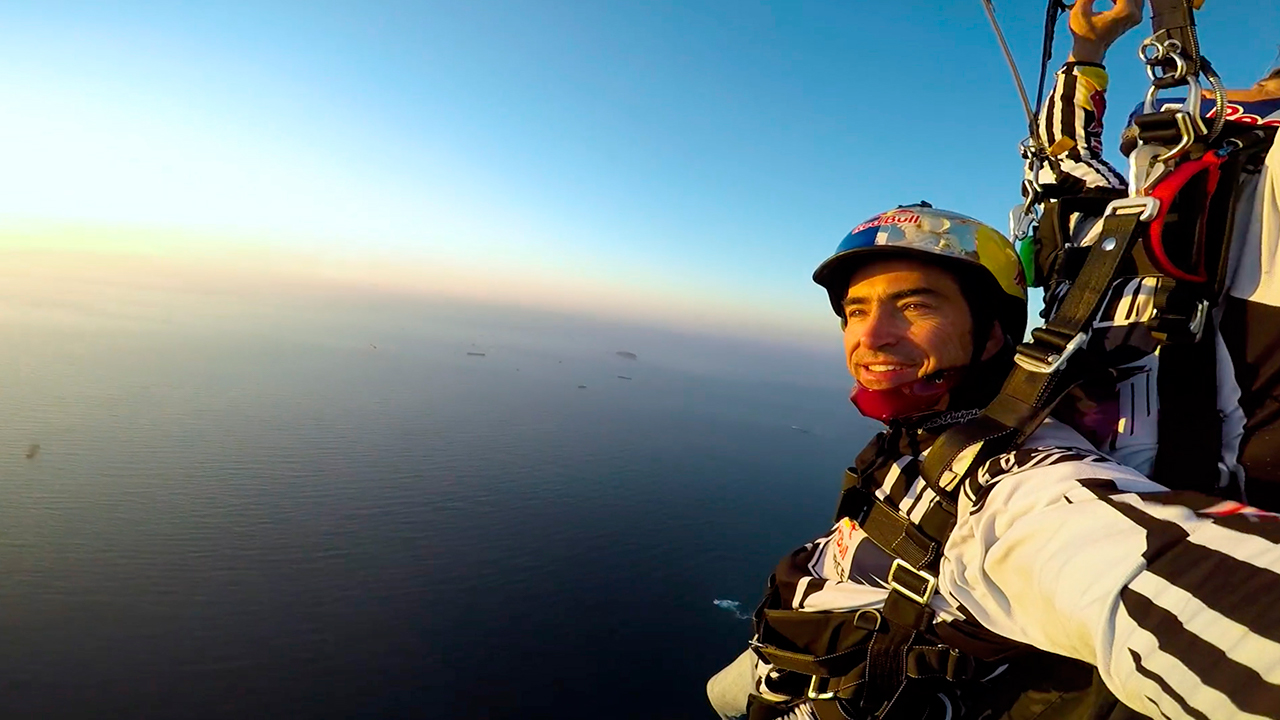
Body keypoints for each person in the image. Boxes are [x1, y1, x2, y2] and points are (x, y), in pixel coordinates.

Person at [707, 203, 1280, 719]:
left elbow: (1152, 577)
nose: (872, 336)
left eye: (914, 305)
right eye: (857, 310)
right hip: (785, 657)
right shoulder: (922, 438)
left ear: (992, 334)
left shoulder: (1019, 487)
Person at [1031, 0, 1280, 505]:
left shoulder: (1262, 201)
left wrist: (1089, 52)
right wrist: (1087, 49)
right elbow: (1064, 167)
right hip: (1084, 489)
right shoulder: (1120, 229)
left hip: (1214, 503)